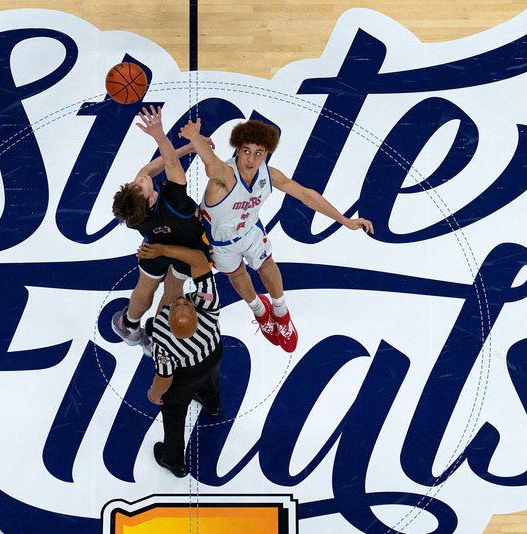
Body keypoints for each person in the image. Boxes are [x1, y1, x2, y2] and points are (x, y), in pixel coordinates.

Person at [179, 118, 374, 353]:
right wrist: (196, 138)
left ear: (266, 154)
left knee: (266, 264)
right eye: (246, 152)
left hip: (250, 230)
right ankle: (260, 312)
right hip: (219, 243)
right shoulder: (225, 175)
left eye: (258, 153)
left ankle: (281, 313)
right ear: (238, 150)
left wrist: (344, 220)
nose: (251, 160)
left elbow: (307, 195)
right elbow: (211, 165)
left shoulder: (269, 175)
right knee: (238, 275)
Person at [111, 106, 213, 346]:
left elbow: (149, 169)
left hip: (155, 245)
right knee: (172, 290)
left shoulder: (135, 215)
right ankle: (156, 339)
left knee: (145, 286)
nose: (139, 179)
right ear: (149, 200)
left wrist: (191, 147)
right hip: (189, 247)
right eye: (139, 186)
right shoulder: (174, 199)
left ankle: (130, 325)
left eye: (133, 183)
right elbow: (169, 162)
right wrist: (160, 134)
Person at [138, 241, 221, 478]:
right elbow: (197, 258)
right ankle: (212, 404)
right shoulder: (208, 304)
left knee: (173, 413)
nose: (180, 300)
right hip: (212, 351)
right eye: (183, 303)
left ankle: (173, 459)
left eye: (180, 305)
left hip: (185, 373)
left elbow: (164, 377)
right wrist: (164, 251)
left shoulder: (163, 337)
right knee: (210, 376)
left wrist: (154, 395)